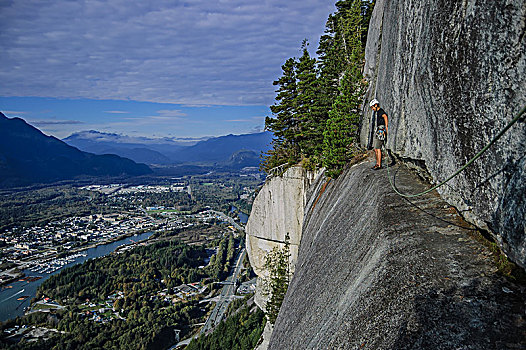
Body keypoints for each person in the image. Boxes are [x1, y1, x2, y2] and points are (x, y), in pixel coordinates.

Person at [369, 99, 388, 169]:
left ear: (376, 105)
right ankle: (377, 163)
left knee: (378, 148)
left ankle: (379, 164)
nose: (372, 109)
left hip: (381, 130)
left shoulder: (380, 111)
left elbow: (385, 116)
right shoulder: (378, 112)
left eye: (372, 107)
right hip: (378, 130)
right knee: (376, 148)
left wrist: (386, 127)